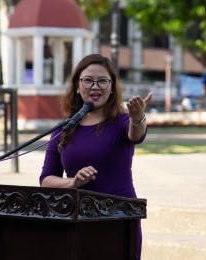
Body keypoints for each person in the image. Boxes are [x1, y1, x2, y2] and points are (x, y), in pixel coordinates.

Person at [39, 54, 152, 259]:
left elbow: (136, 134)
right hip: (75, 220)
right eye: (88, 80)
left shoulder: (121, 121)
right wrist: (73, 182)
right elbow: (46, 179)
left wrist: (138, 118)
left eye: (102, 81)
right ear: (77, 85)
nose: (95, 86)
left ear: (111, 86)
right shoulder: (64, 129)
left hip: (119, 218)